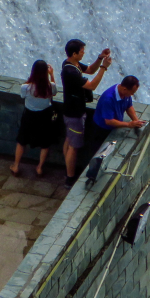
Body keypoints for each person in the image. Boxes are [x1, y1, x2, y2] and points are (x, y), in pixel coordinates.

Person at [61, 39, 112, 188]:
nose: (84, 53)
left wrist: (99, 59)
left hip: (72, 110)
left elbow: (89, 70)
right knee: (74, 146)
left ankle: (67, 171)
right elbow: (92, 85)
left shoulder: (71, 64)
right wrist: (104, 67)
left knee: (69, 141)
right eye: (82, 51)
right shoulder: (70, 71)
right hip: (74, 113)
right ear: (75, 53)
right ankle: (70, 178)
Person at [10, 60, 57, 177]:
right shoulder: (50, 86)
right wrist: (52, 75)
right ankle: (39, 168)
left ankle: (16, 166)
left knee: (22, 140)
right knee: (45, 142)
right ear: (46, 72)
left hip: (29, 116)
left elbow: (22, 96)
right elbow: (54, 93)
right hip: (45, 116)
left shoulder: (26, 87)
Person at [93, 76, 146, 146]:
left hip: (115, 127)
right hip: (102, 129)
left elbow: (129, 106)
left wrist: (136, 121)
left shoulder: (125, 93)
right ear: (125, 89)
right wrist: (129, 124)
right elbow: (109, 121)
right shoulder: (108, 99)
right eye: (132, 93)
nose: (132, 95)